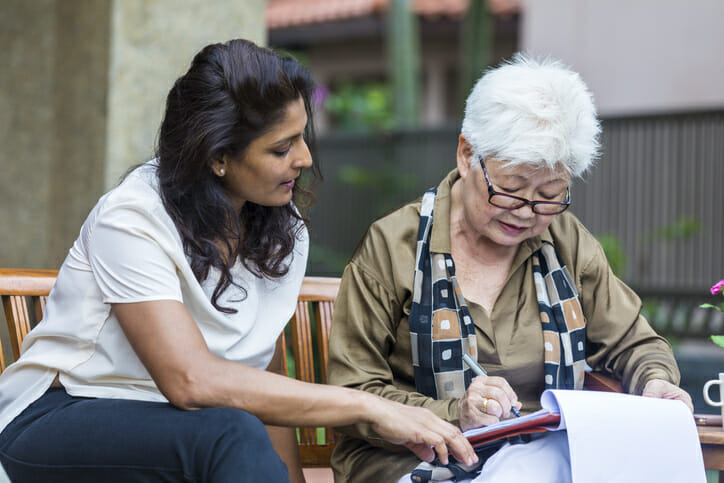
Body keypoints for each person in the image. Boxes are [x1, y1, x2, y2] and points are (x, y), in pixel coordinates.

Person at [0, 39, 478, 482]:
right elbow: (190, 381)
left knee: (230, 430)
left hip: (186, 432)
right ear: (217, 156)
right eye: (281, 147)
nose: (306, 158)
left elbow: (259, 377)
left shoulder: (279, 230)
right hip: (59, 416)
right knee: (229, 432)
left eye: (302, 137)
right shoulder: (132, 217)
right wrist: (368, 406)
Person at [326, 53, 693, 483]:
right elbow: (352, 392)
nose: (527, 212)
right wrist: (453, 414)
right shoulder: (395, 247)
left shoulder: (566, 243)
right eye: (512, 189)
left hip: (541, 457)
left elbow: (634, 342)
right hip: (415, 464)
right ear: (466, 154)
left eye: (550, 194)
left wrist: (655, 382)